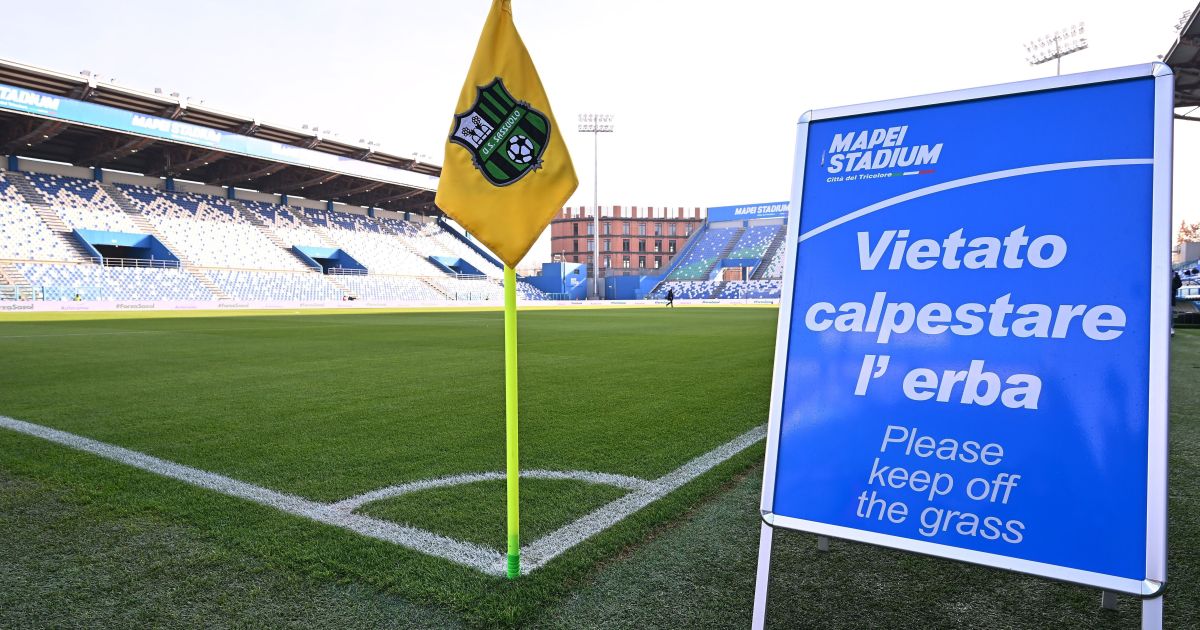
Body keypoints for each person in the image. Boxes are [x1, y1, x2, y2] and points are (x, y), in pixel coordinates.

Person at [1172, 271, 1183, 337]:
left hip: (1171, 298)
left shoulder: (1174, 274)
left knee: (1170, 315)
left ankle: (1171, 328)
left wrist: (1172, 287)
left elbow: (1179, 284)